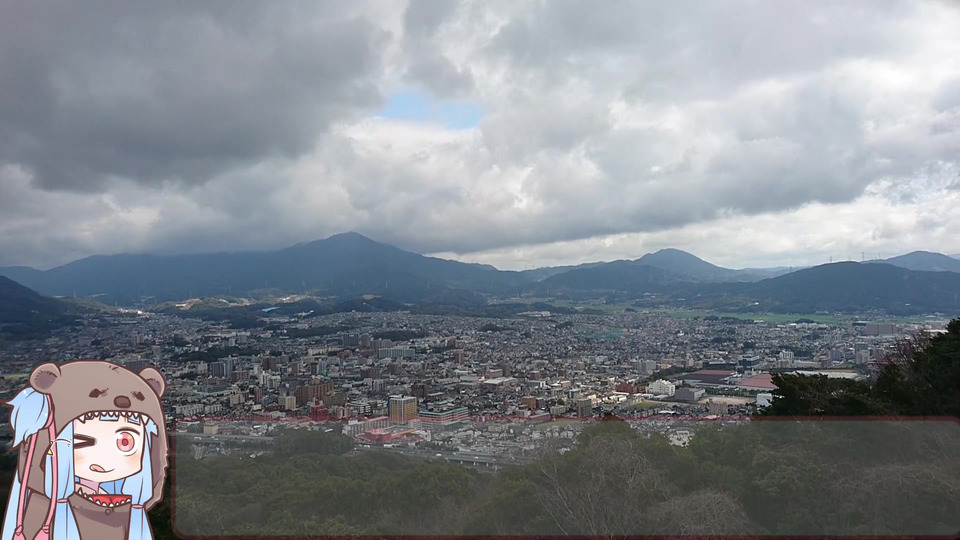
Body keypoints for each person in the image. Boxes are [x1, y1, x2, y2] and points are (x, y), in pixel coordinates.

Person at [2, 361, 168, 540]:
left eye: (125, 443)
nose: (105, 462)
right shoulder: (44, 513)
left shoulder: (125, 508)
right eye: (82, 443)